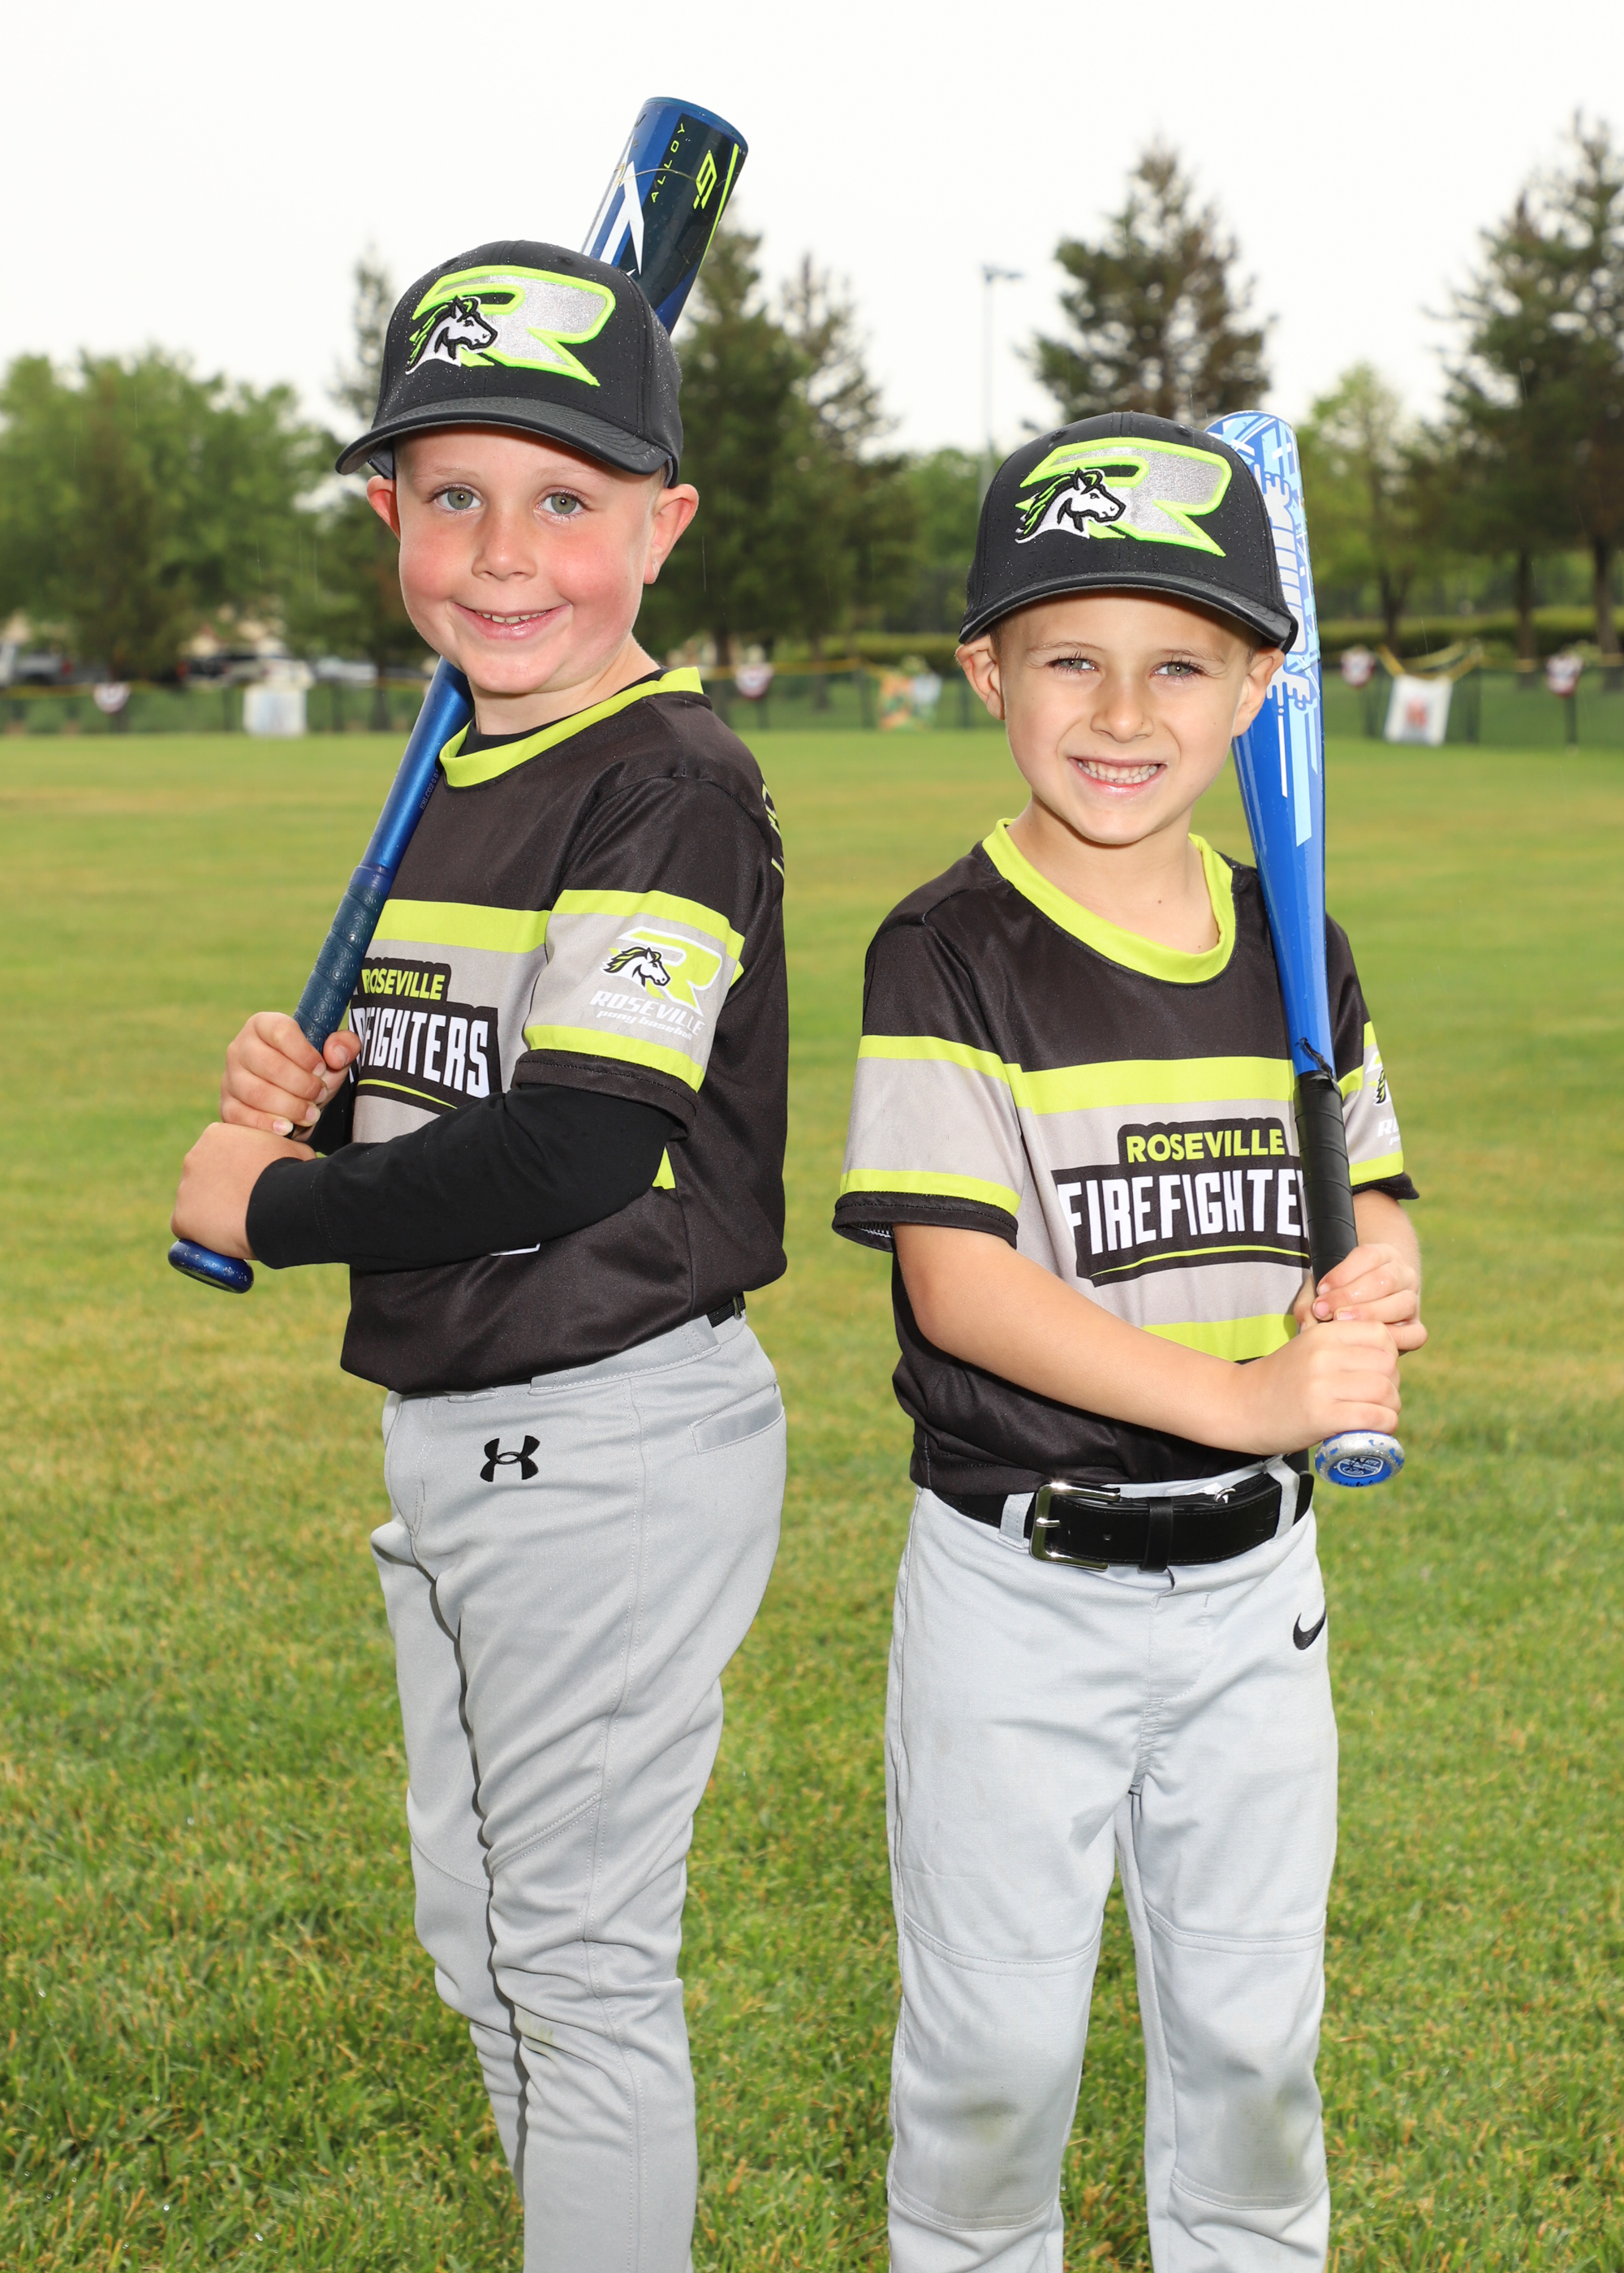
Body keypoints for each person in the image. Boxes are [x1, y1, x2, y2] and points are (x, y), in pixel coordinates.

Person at [170, 240, 789, 2273]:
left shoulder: (667, 783)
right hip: (472, 1427)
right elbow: (470, 1085)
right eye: (455, 494)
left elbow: (585, 1140)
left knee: (576, 1961)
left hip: (606, 1428)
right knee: (491, 1942)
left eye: (565, 500)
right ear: (388, 516)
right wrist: (323, 1093)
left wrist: (269, 1206)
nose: (505, 554)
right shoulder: (470, 763)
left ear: (662, 527)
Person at [833, 412, 1424, 2273]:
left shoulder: (1293, 943)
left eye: (1177, 663)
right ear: (984, 673)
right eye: (1066, 656)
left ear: (1256, 688)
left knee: (1251, 2042)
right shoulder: (944, 949)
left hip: (1256, 1599)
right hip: (1018, 1588)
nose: (1118, 709)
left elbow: (1364, 1185)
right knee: (992, 2058)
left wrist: (1373, 1280)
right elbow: (963, 1285)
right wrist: (1249, 1393)